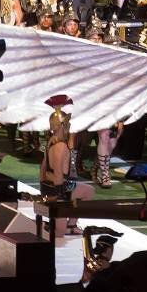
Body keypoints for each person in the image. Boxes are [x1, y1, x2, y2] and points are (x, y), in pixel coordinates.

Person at [39, 97, 95, 239]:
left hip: (54, 186)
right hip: (60, 188)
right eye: (67, 123)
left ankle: (71, 225)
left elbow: (43, 168)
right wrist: (60, 198)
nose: (69, 126)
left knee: (88, 191)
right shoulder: (60, 146)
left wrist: (44, 187)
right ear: (61, 126)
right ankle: (66, 225)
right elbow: (57, 172)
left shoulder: (51, 143)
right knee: (59, 234)